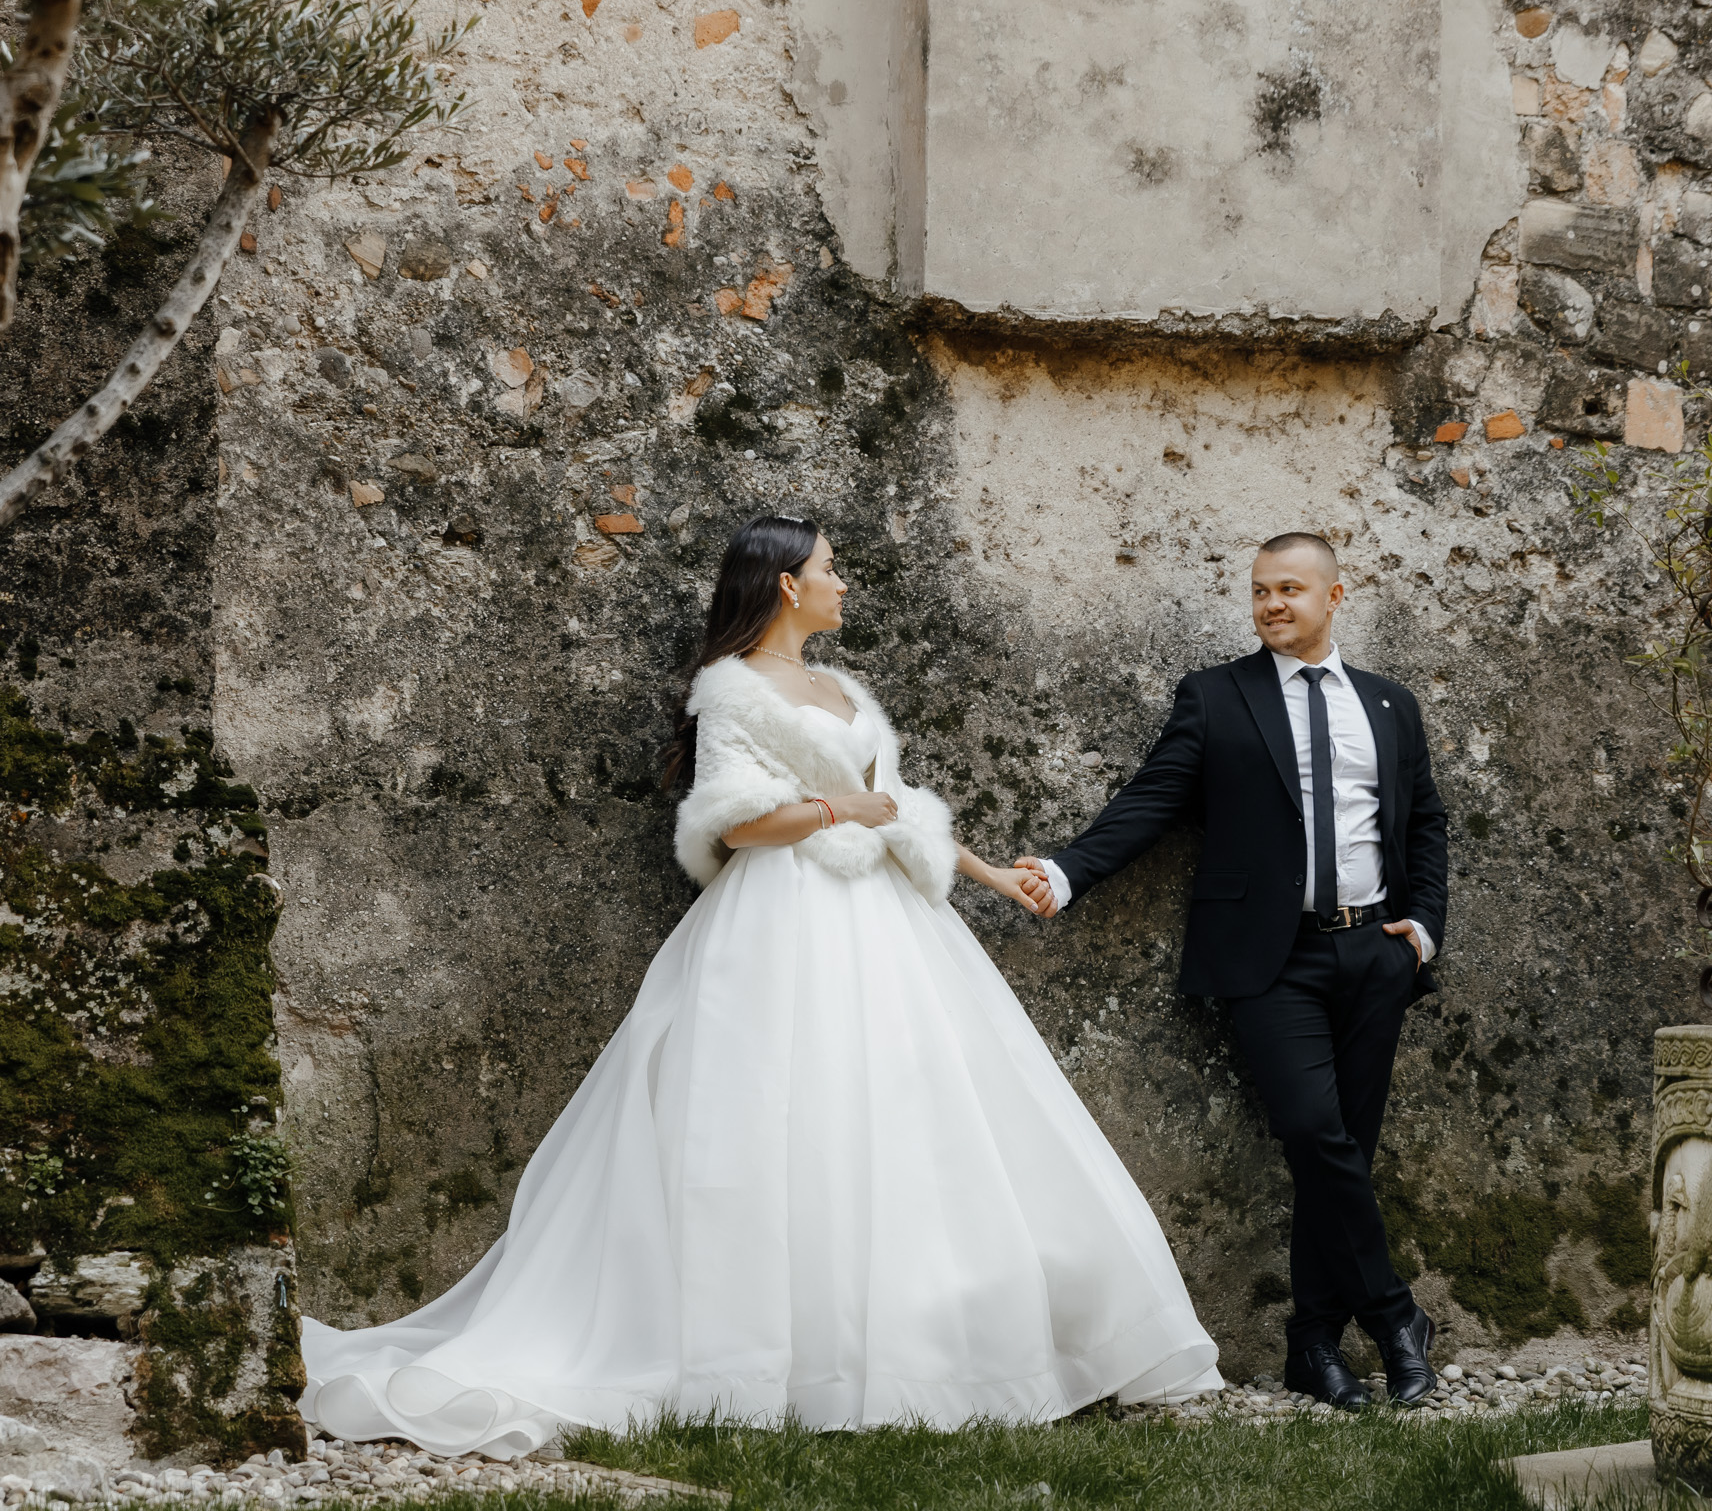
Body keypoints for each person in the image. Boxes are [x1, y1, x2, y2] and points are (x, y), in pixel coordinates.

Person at [296, 515, 1222, 1456]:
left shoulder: (842, 688)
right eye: (830, 568)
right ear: (787, 583)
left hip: (887, 918)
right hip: (785, 915)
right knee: (785, 1118)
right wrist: (834, 806)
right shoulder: (732, 691)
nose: (842, 583)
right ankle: (779, 1358)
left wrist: (993, 878)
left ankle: (921, 1347)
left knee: (908, 1107)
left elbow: (898, 808)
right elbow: (735, 823)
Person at [1015, 531, 1448, 1412]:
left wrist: (1425, 931)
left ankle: (1314, 1346)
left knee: (1346, 1156)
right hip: (1270, 958)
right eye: (1259, 591)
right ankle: (1396, 1315)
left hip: (1376, 953)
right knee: (1315, 1134)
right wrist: (1066, 871)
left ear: (1334, 596)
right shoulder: (1216, 696)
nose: (1271, 604)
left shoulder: (1389, 705)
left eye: (1290, 589)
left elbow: (1426, 822)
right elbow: (1154, 797)